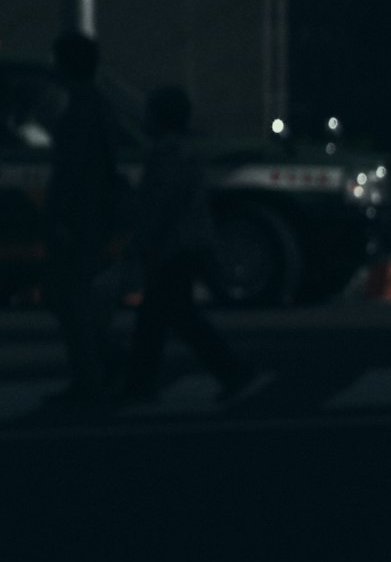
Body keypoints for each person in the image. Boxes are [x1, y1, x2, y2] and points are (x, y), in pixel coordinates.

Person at [119, 86, 259, 404]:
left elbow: (162, 203)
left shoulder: (167, 152)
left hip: (174, 247)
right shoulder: (182, 149)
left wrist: (143, 238)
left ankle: (141, 384)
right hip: (186, 244)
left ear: (161, 117)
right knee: (172, 316)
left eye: (150, 112)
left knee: (160, 317)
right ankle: (228, 371)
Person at [43, 31, 123, 405]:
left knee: (72, 302)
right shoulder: (100, 105)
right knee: (83, 300)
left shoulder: (79, 111)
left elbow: (70, 171)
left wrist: (58, 216)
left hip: (79, 218)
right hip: (95, 215)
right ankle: (103, 371)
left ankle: (89, 380)